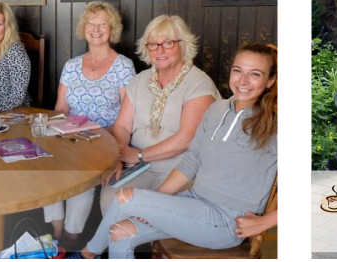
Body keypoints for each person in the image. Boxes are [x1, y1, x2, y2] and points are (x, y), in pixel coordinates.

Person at [91, 44, 281, 259]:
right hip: (193, 202)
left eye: (255, 74)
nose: (243, 81)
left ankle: (87, 253)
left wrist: (265, 222)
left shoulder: (276, 123)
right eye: (238, 71)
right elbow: (192, 161)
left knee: (125, 196)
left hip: (228, 221)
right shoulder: (217, 109)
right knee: (119, 233)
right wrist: (155, 204)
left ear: (270, 81)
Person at [117, 15, 221, 167]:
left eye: (168, 43)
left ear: (183, 45)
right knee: (108, 189)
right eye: (153, 44)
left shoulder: (200, 83)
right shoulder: (138, 80)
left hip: (179, 167)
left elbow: (186, 139)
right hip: (135, 163)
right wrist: (119, 156)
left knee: (121, 191)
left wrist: (139, 155)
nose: (160, 50)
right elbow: (122, 127)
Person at [60, 2, 140, 123]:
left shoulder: (124, 66)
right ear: (84, 27)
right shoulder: (71, 66)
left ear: (112, 28)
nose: (96, 29)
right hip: (71, 137)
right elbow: (61, 109)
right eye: (91, 23)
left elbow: (128, 117)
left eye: (103, 24)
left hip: (109, 137)